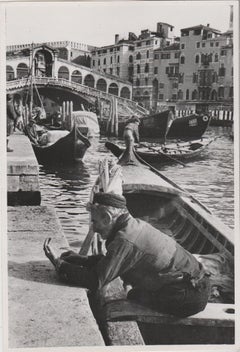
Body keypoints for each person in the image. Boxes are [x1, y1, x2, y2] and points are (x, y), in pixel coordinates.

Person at [44, 192, 211, 318]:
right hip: (198, 285)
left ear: (107, 218)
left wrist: (60, 265)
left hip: (188, 297)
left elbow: (95, 281)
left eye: (94, 221)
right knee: (137, 290)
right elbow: (113, 261)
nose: (93, 228)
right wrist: (83, 259)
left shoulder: (124, 240)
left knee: (135, 295)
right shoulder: (132, 225)